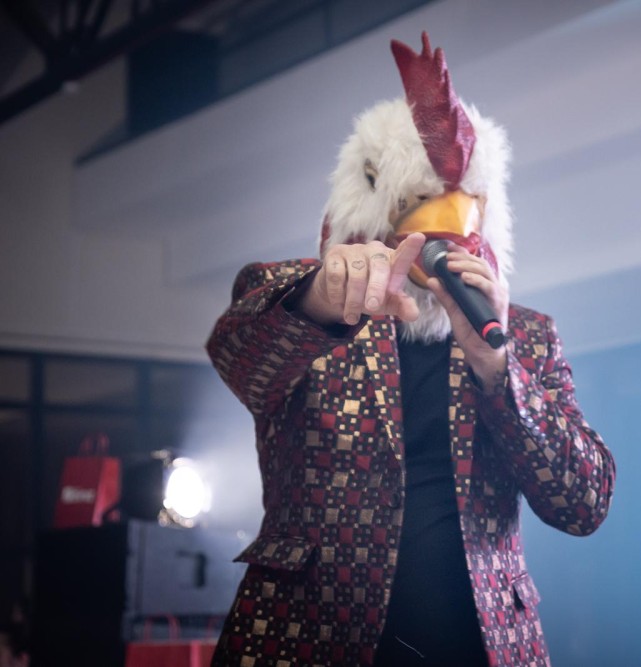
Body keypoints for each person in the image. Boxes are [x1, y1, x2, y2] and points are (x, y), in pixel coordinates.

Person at [207, 33, 615, 667]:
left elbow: (584, 503)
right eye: (418, 205)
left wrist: (498, 370)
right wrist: (320, 301)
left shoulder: (523, 334)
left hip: (479, 645)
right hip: (307, 640)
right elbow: (241, 361)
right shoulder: (297, 296)